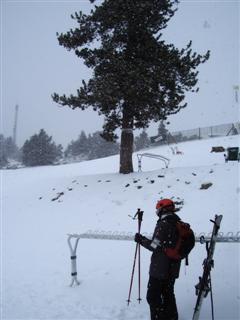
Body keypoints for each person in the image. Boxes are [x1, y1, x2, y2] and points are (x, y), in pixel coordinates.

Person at [134, 198, 181, 320]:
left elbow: (154, 246)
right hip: (173, 267)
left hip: (160, 268)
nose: (157, 212)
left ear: (162, 209)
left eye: (158, 209)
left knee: (153, 296)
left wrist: (141, 240)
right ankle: (172, 317)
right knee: (168, 294)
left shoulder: (163, 224)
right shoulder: (177, 222)